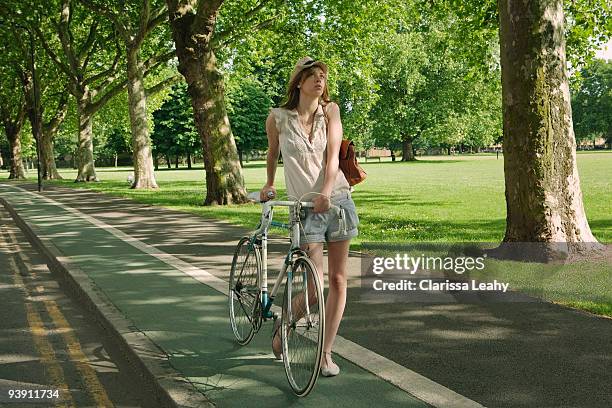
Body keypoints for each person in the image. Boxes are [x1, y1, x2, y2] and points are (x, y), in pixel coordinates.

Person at [260, 57, 359, 377]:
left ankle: (325, 353)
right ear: (299, 82)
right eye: (313, 75)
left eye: (323, 76)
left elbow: (333, 156)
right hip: (304, 210)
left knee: (339, 281)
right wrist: (270, 183)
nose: (320, 80)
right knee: (315, 288)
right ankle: (285, 323)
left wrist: (327, 192)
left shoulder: (330, 111)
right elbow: (273, 152)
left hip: (338, 202)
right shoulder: (277, 118)